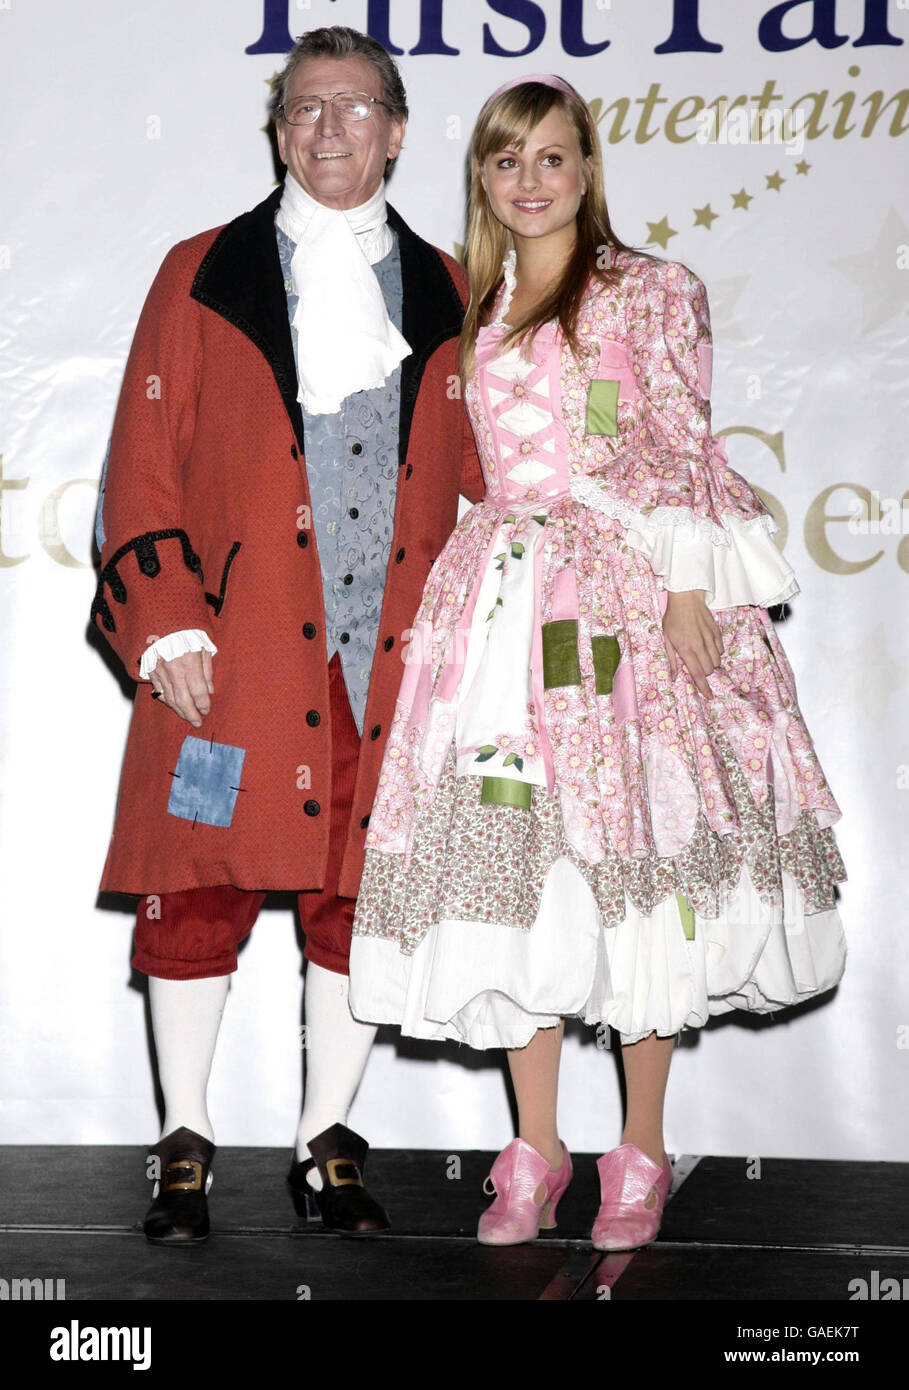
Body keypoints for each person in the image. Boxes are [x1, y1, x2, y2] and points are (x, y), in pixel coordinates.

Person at [347, 74, 847, 1249]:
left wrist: (685, 589)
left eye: (553, 159)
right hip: (497, 615)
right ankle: (535, 1149)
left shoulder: (653, 289)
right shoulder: (469, 308)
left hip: (619, 603)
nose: (530, 182)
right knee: (514, 867)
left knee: (634, 862)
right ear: (481, 176)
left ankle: (644, 1151)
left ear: (588, 169)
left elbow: (684, 446)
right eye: (507, 162)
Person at [91, 25, 483, 1243]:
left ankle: (326, 1143)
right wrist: (164, 629)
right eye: (307, 109)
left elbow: (492, 476)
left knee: (355, 904)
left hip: (392, 667)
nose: (328, 131)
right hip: (234, 661)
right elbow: (138, 465)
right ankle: (185, 1141)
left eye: (355, 110)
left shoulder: (455, 286)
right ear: (277, 129)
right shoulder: (201, 271)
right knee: (196, 895)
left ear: (399, 132)